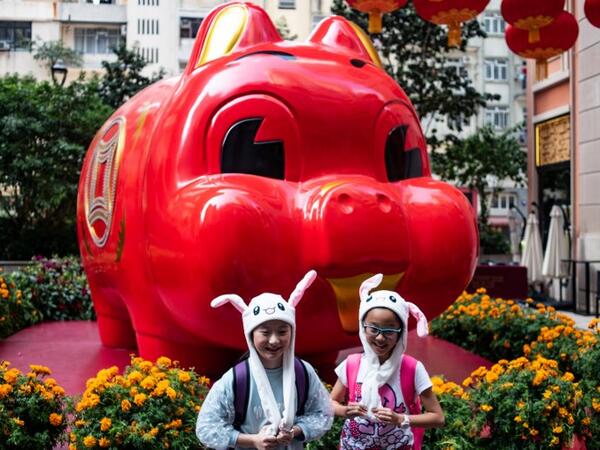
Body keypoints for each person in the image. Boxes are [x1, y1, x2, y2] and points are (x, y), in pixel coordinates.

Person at [196, 270, 333, 449]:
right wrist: (252, 440)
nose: (274, 340)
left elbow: (323, 413)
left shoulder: (302, 372)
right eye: (265, 332)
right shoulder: (237, 379)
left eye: (282, 331)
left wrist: (295, 431)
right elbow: (206, 427)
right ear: (250, 335)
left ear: (292, 332)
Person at [330, 274, 444, 450]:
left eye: (389, 330)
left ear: (401, 331)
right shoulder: (351, 365)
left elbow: (437, 417)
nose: (381, 337)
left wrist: (401, 419)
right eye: (373, 329)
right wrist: (345, 411)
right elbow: (331, 403)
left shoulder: (412, 368)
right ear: (363, 327)